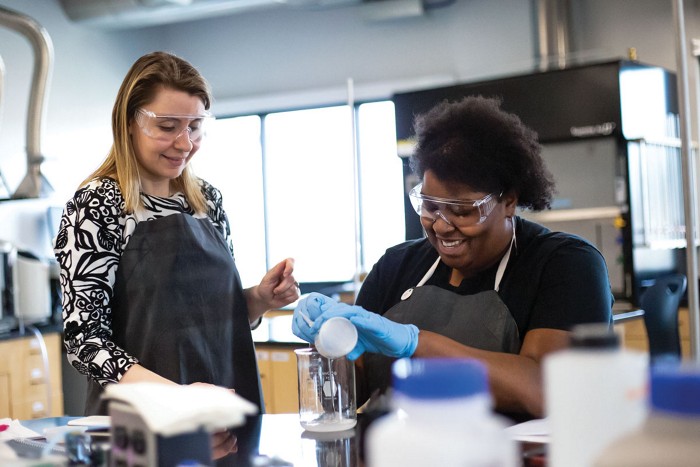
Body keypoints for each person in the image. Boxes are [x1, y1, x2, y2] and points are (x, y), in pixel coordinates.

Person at [293, 95, 613, 422]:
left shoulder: (565, 264)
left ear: (509, 201)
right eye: (430, 206)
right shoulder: (396, 266)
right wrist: (328, 341)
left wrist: (414, 344)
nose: (443, 226)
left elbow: (546, 390)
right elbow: (345, 395)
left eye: (462, 211)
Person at [54, 51, 299, 426]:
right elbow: (84, 341)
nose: (185, 144)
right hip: (142, 429)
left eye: (195, 126)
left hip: (226, 413)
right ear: (129, 122)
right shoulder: (99, 204)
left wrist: (257, 300)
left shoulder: (206, 200)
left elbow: (212, 318)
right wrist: (177, 398)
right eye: (168, 126)